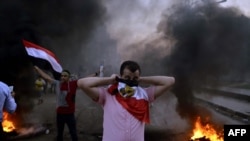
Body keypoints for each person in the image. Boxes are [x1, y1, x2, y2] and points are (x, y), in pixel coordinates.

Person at [77, 60, 175, 141]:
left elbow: (170, 81)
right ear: (120, 76)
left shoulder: (145, 95)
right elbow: (82, 83)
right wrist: (110, 80)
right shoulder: (108, 94)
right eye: (127, 77)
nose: (130, 81)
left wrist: (141, 79)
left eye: (134, 78)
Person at [34, 66, 97, 141]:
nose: (63, 77)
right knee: (59, 134)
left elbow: (85, 79)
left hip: (70, 115)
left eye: (65, 76)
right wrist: (38, 69)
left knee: (73, 133)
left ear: (69, 77)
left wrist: (95, 74)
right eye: (62, 76)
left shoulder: (73, 84)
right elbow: (47, 78)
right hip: (60, 115)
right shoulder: (57, 84)